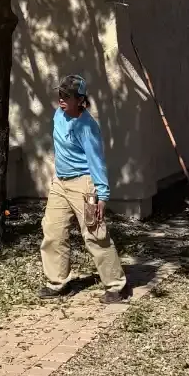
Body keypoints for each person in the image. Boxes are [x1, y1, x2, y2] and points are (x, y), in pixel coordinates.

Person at [40, 73, 128, 303]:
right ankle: (58, 282)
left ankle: (115, 286)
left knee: (95, 234)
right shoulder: (58, 114)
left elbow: (96, 161)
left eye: (67, 96)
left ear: (80, 100)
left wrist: (102, 195)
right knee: (53, 231)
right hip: (60, 183)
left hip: (84, 184)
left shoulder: (87, 127)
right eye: (60, 93)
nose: (61, 98)